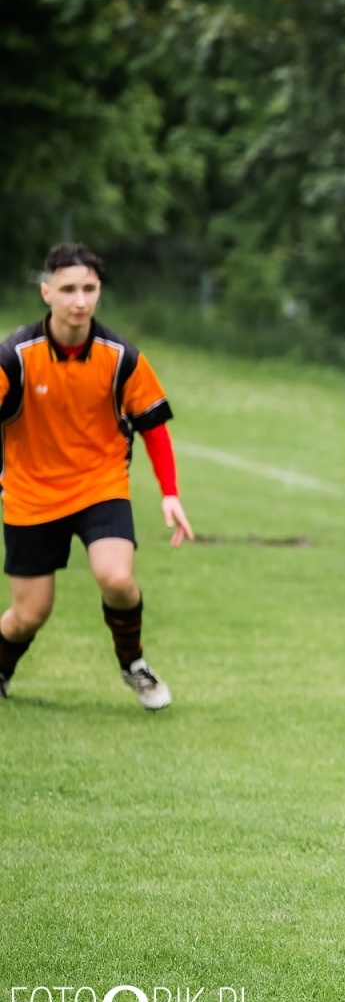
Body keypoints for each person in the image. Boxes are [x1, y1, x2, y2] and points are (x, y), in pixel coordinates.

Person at [0, 244, 195, 710]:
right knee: (29, 614)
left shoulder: (121, 356)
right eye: (68, 289)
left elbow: (153, 427)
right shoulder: (15, 356)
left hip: (98, 485)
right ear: (47, 292)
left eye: (88, 288)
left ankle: (134, 665)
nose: (79, 300)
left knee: (117, 578)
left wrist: (170, 494)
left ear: (99, 291)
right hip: (30, 492)